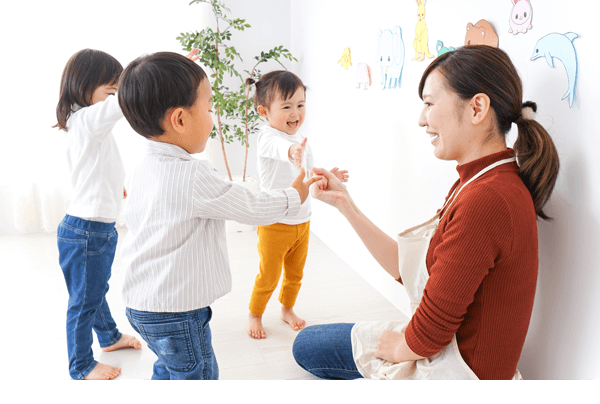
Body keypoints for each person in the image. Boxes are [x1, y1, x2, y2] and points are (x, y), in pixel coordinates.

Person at [292, 45, 560, 380]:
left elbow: (430, 335)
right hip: (447, 349)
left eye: (430, 103)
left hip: (457, 367)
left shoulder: (486, 199)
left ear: (477, 107)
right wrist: (345, 203)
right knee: (309, 343)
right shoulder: (483, 180)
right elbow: (411, 270)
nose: (422, 119)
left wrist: (398, 349)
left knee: (307, 346)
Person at [116, 52, 323, 380]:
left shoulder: (143, 166)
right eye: (210, 108)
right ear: (180, 120)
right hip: (176, 311)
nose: (213, 117)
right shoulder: (192, 176)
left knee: (170, 364)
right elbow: (250, 207)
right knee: (198, 371)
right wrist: (294, 194)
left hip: (141, 302)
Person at [53, 49, 142, 380]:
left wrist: (112, 187)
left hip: (90, 228)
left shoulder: (83, 122)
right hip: (87, 231)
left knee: (93, 290)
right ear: (85, 83)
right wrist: (159, 70)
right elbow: (120, 105)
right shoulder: (89, 120)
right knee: (84, 302)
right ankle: (81, 366)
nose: (118, 91)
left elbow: (92, 169)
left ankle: (109, 337)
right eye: (113, 84)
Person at [245, 71, 349, 339]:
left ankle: (286, 309)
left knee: (295, 273)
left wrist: (327, 178)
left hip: (302, 221)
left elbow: (308, 179)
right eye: (287, 106)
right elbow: (282, 150)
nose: (296, 113)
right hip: (274, 223)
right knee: (268, 275)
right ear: (264, 112)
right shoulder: (268, 137)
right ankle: (254, 314)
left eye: (301, 105)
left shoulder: (302, 140)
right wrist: (292, 152)